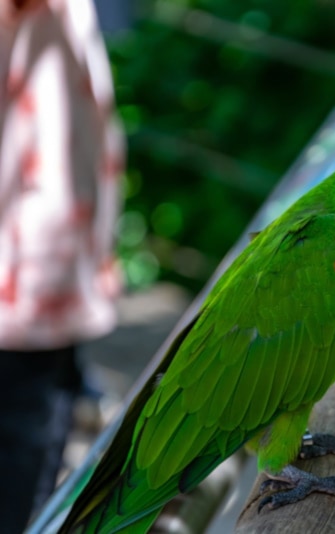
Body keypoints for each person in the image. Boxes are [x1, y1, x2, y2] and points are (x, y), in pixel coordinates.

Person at [0, 0, 123, 530]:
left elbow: (89, 125)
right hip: (24, 266)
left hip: (56, 254)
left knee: (41, 426)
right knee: (25, 442)